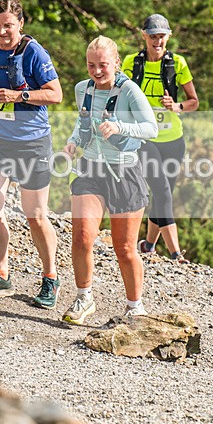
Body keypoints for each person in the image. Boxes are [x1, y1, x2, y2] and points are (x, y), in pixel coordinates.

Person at [0, 0, 64, 308]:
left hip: (32, 143)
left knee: (35, 215)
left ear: (20, 24)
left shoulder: (34, 52)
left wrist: (17, 95)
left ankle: (50, 278)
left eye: (8, 25)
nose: (2, 31)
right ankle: (1, 274)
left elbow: (55, 94)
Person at [61, 36, 158, 325]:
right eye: (91, 65)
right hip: (91, 169)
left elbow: (150, 127)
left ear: (116, 63)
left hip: (125, 172)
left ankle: (134, 306)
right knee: (81, 236)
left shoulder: (129, 91)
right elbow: (83, 123)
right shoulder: (83, 89)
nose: (97, 71)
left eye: (103, 65)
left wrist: (119, 126)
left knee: (125, 248)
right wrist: (72, 141)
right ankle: (84, 297)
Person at [121, 14, 199, 263]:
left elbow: (194, 102)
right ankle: (176, 253)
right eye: (153, 36)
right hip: (145, 139)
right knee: (163, 192)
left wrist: (176, 106)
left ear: (169, 37)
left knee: (162, 195)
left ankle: (148, 244)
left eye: (161, 36)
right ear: (143, 35)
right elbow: (120, 95)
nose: (157, 41)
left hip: (174, 139)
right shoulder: (131, 62)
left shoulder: (178, 63)